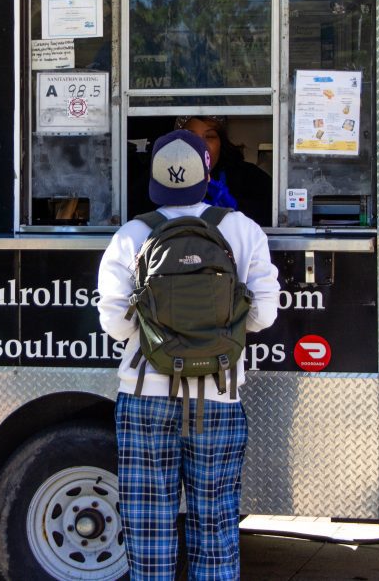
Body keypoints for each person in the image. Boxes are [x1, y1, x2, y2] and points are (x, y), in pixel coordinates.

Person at [97, 129, 280, 580]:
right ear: (206, 172)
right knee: (215, 525)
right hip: (219, 396)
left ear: (155, 180)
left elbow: (114, 323)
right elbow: (264, 315)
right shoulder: (242, 229)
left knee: (149, 528)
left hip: (145, 398)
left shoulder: (132, 234)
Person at [177, 115, 273, 225]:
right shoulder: (159, 180)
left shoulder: (251, 179)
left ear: (221, 143)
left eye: (209, 136)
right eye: (190, 136)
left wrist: (238, 210)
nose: (200, 145)